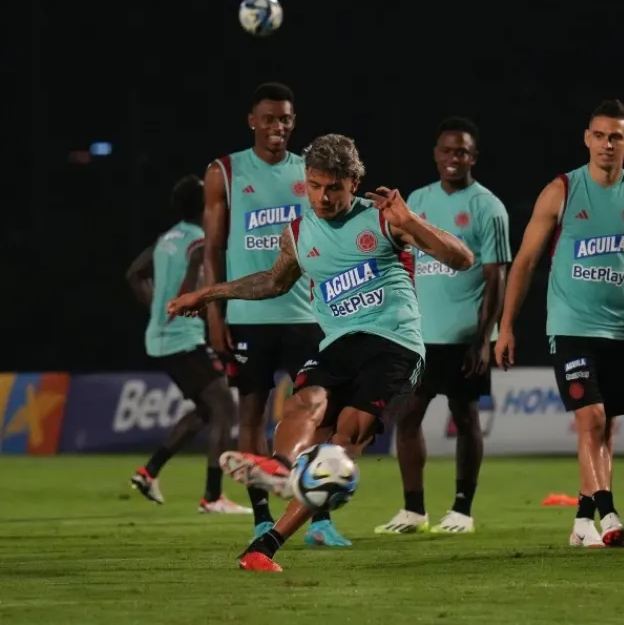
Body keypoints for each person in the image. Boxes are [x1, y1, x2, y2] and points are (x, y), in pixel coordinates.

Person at [167, 134, 474, 572]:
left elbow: (462, 258)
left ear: (354, 182)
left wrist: (413, 220)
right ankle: (275, 485)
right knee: (305, 402)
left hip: (394, 344)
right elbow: (274, 281)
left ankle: (273, 533)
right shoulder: (298, 232)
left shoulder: (385, 219)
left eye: (333, 187)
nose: (323, 197)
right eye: (314, 186)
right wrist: (210, 294)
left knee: (341, 443)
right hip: (338, 344)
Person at [495, 99, 624, 548]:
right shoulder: (562, 190)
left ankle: (582, 521)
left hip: (620, 331)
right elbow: (526, 261)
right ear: (586, 138)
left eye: (616, 137)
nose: (607, 144)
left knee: (606, 426)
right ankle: (608, 510)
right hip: (570, 325)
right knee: (590, 419)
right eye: (599, 135)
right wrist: (507, 325)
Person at [203, 83, 344, 545]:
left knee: (320, 412)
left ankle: (318, 518)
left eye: (284, 118)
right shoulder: (224, 171)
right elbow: (214, 248)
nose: (277, 127)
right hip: (247, 316)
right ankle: (262, 516)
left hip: (305, 314)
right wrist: (215, 313)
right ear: (252, 120)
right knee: (251, 413)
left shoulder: (310, 171)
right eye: (269, 118)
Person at [374, 117, 511, 535]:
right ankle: (413, 510)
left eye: (462, 151)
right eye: (448, 150)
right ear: (436, 154)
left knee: (465, 417)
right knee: (407, 416)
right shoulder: (415, 200)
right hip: (419, 335)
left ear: (474, 157)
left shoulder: (488, 207)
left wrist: (483, 337)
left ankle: (462, 510)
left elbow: (496, 277)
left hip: (464, 337)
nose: (455, 158)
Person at [126, 175, 248, 514]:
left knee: (208, 409)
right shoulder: (198, 242)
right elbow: (193, 288)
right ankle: (212, 497)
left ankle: (150, 471)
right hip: (182, 338)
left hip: (161, 335)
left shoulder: (168, 238)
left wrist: (157, 308)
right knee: (225, 407)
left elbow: (134, 274)